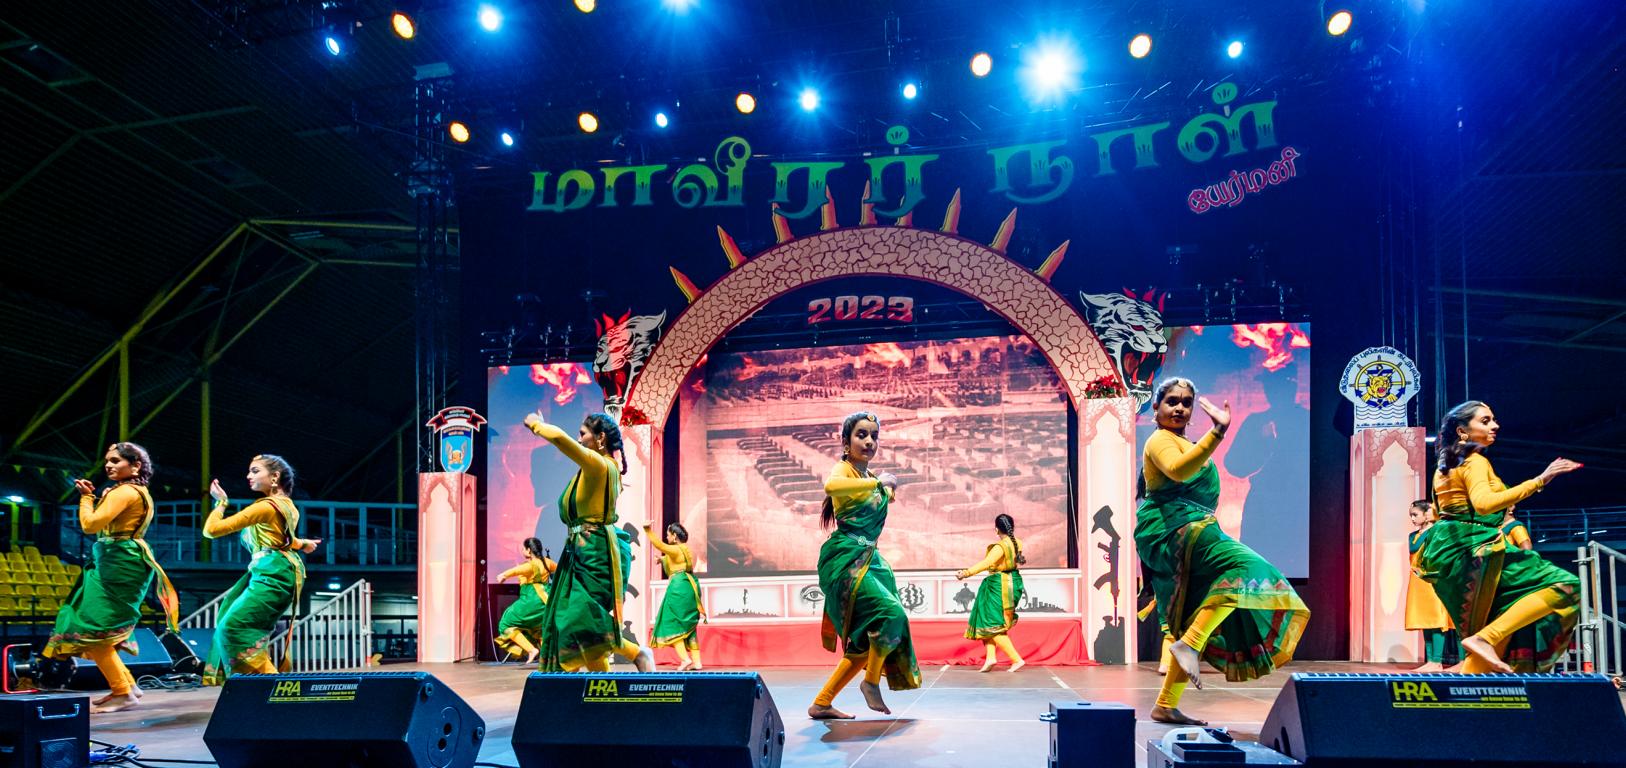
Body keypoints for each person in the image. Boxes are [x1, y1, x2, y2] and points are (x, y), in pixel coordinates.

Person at [1136, 378, 1309, 725]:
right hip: (1175, 527)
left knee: (1198, 612)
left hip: (1194, 528)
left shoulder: (1184, 443)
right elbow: (1179, 471)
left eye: (1186, 402)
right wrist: (1217, 433)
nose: (1180, 408)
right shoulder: (1159, 440)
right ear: (1156, 407)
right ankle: (1189, 645)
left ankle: (1166, 703)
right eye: (1172, 401)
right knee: (1248, 567)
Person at [1417, 401, 1581, 673]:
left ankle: (1477, 665)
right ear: (1462, 431)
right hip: (1475, 548)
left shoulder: (1445, 467)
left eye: (1493, 420)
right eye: (1485, 421)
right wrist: (1541, 480)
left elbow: (1443, 510)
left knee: (1494, 638)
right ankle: (1485, 639)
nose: (1495, 425)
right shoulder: (1475, 462)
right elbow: (1483, 504)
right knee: (1565, 585)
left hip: (1451, 551)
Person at [41, 443, 178, 713]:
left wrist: (86, 498)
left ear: (135, 466)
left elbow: (90, 525)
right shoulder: (135, 491)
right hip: (121, 560)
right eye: (107, 461)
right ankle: (128, 687)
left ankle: (122, 692)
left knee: (93, 630)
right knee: (97, 629)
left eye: (116, 460)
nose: (108, 465)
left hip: (118, 563)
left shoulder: (124, 492)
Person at [809, 412, 921, 720]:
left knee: (863, 642)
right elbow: (831, 486)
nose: (869, 441)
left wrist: (887, 486)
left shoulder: (866, 476)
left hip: (870, 559)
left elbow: (884, 496)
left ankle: (822, 703)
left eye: (874, 435)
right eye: (861, 435)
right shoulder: (844, 470)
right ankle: (870, 682)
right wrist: (879, 483)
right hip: (846, 559)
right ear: (846, 443)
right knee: (893, 614)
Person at [523, 412, 654, 672]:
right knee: (574, 621)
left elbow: (560, 439)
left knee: (582, 619)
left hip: (594, 550)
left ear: (600, 437)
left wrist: (536, 424)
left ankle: (636, 653)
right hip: (580, 550)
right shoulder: (593, 469)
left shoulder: (600, 466)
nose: (579, 438)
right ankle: (601, 683)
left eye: (583, 433)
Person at [202, 454, 320, 683]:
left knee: (234, 628)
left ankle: (268, 687)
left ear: (275, 477)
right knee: (240, 628)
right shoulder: (287, 506)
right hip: (276, 571)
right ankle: (264, 687)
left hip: (272, 574)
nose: (248, 476)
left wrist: (221, 503)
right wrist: (304, 544)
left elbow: (211, 530)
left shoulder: (266, 507)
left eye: (255, 471)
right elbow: (284, 540)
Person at [956, 513, 1027, 672]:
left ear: (996, 529)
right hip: (1012, 582)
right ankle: (990, 658)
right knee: (989, 621)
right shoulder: (1017, 543)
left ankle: (1016, 659)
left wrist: (966, 573)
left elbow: (987, 563)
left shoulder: (1000, 547)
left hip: (999, 586)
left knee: (992, 623)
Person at [642, 521, 706, 670]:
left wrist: (647, 530)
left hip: (679, 588)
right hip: (690, 586)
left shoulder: (675, 549)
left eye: (668, 535)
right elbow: (678, 561)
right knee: (688, 626)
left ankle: (685, 659)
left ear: (675, 536)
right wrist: (662, 559)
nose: (666, 537)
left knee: (672, 623)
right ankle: (697, 662)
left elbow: (660, 545)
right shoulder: (685, 549)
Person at [1405, 500, 1459, 672]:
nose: (1413, 519)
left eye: (1415, 515)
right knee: (1424, 619)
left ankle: (1437, 660)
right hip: (1417, 581)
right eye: (1411, 515)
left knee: (1436, 619)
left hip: (1432, 580)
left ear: (1426, 514)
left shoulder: (1437, 532)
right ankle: (1430, 661)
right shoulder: (1413, 535)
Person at [494, 537, 557, 664]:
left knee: (505, 624)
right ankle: (547, 659)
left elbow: (517, 570)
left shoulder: (531, 565)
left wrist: (503, 575)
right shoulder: (547, 562)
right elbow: (560, 570)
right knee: (539, 629)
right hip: (547, 602)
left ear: (529, 550)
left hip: (532, 600)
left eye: (523, 548)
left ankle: (531, 650)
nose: (522, 551)